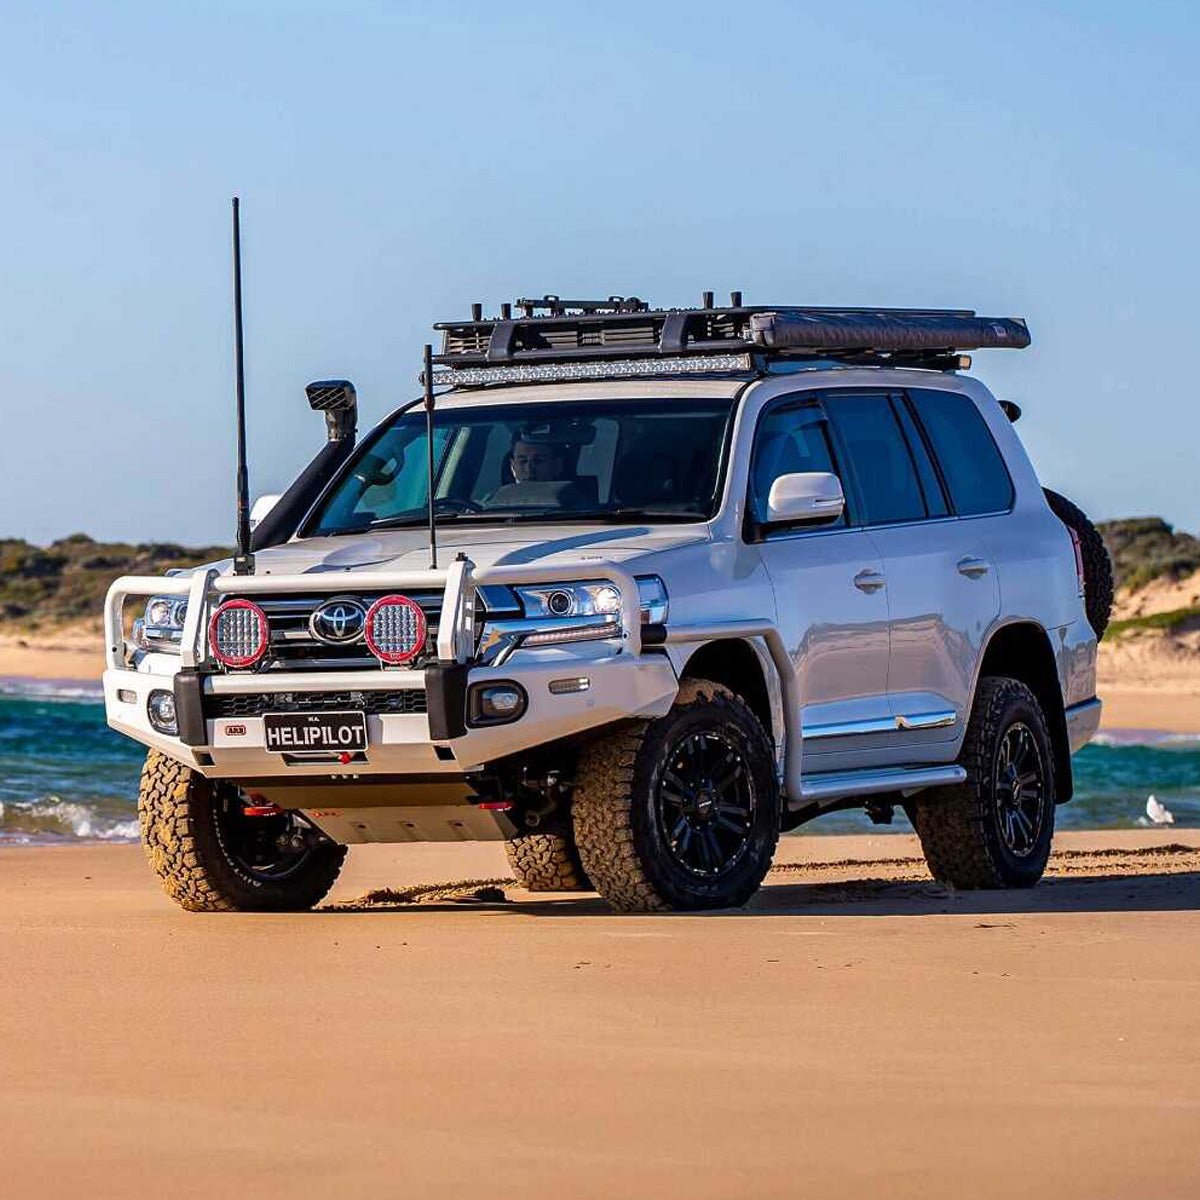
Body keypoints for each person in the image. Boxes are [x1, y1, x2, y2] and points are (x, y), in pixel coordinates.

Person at [484, 430, 588, 509]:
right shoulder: (488, 506)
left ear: (557, 465)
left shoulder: (582, 509)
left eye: (539, 460)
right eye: (522, 461)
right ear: (512, 466)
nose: (529, 469)